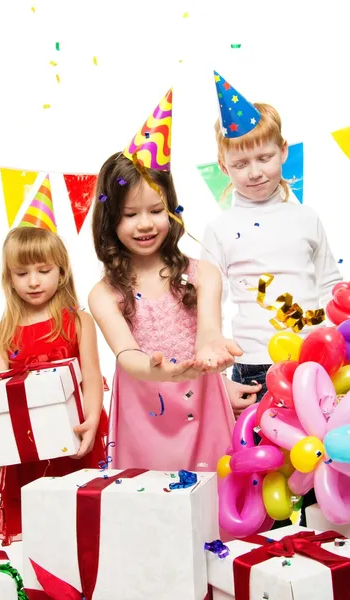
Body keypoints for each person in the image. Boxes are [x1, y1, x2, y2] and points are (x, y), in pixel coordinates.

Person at [88, 90, 254, 473]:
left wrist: (211, 348)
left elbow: (208, 331)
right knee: (150, 509)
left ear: (173, 209)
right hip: (143, 408)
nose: (145, 223)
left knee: (211, 502)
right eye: (130, 214)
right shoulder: (103, 293)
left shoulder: (203, 273)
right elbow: (127, 354)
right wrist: (157, 370)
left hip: (202, 402)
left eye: (156, 210)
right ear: (110, 218)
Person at [202, 71, 342, 523]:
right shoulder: (219, 229)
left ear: (284, 152)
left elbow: (329, 285)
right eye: (241, 164)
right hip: (257, 369)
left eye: (264, 157)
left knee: (324, 472)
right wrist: (218, 372)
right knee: (267, 483)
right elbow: (205, 305)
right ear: (223, 166)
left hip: (318, 367)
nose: (255, 171)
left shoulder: (306, 218)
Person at [0, 226, 107, 546]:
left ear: (61, 272)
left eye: (43, 270)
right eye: (22, 273)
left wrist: (91, 423)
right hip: (26, 454)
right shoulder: (4, 332)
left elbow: (92, 377)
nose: (33, 281)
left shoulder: (78, 321)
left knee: (82, 532)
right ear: (9, 278)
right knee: (39, 535)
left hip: (75, 443)